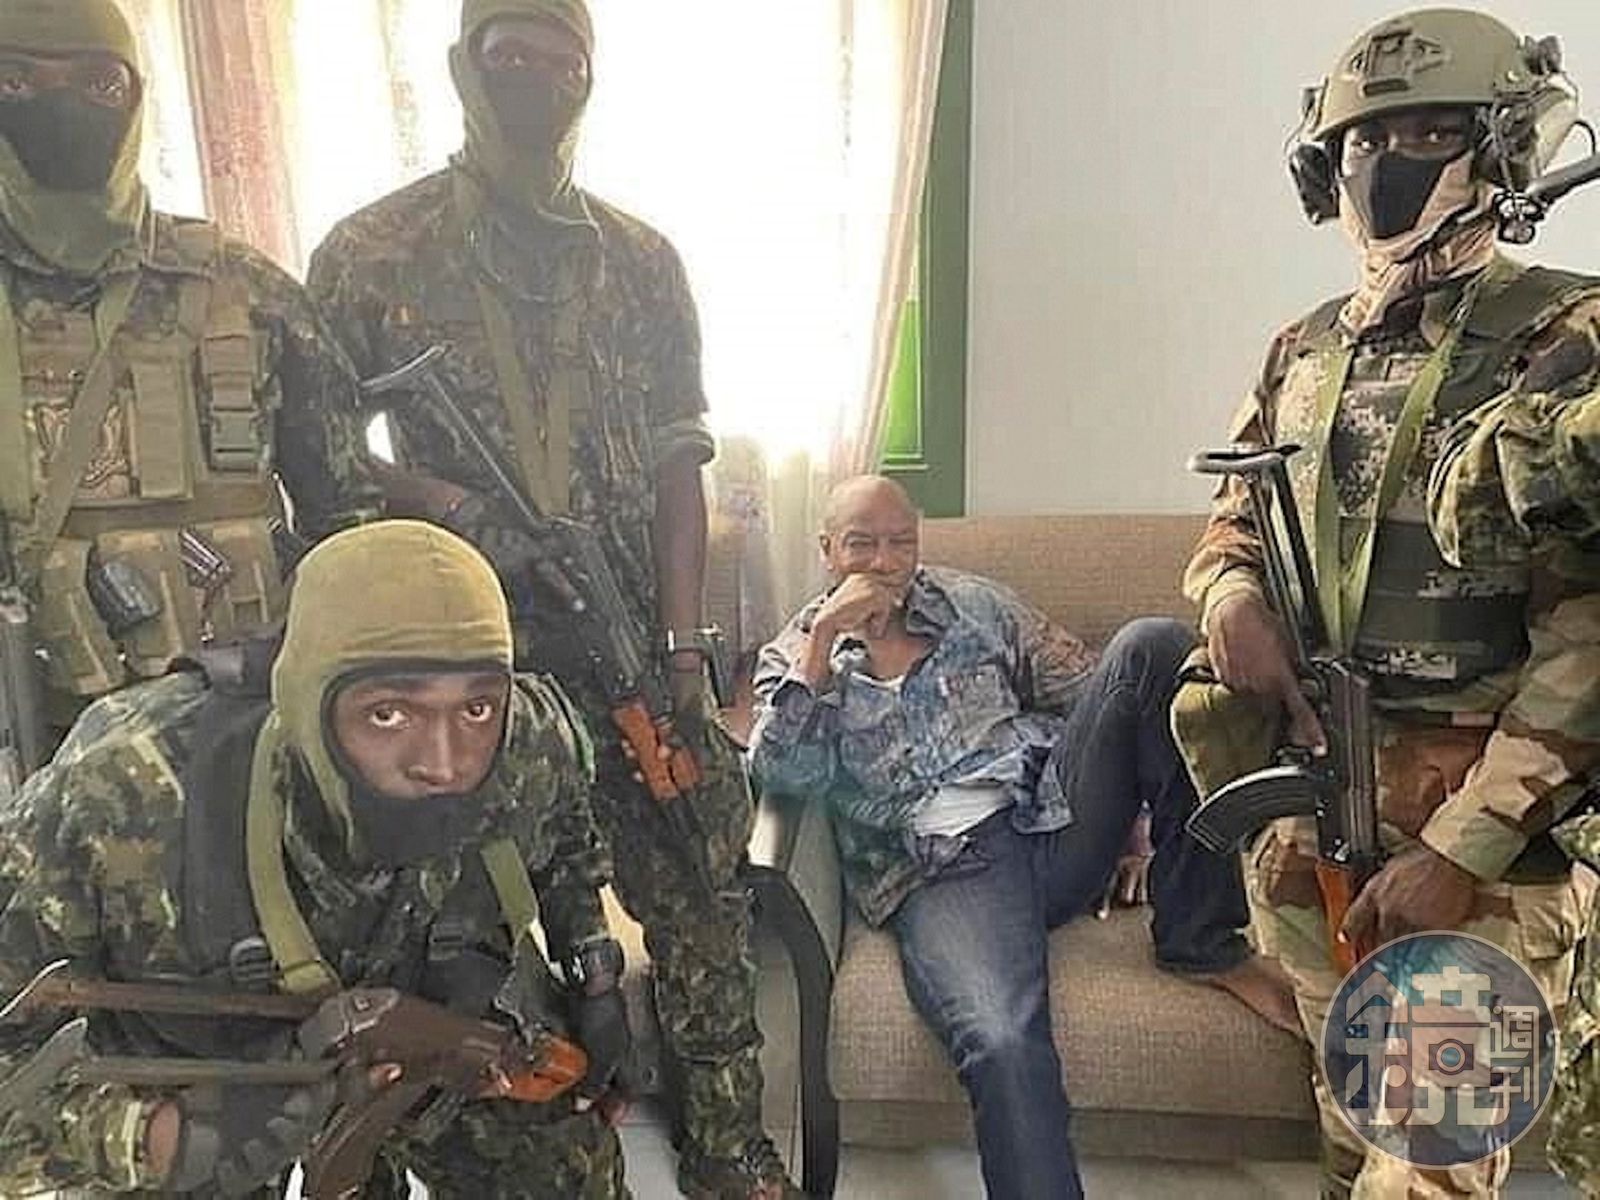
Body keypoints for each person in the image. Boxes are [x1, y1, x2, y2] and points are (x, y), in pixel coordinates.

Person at [305, 3, 797, 1195]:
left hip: (620, 631)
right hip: (454, 656)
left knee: (698, 883)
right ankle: (490, 1137)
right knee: (448, 915)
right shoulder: (369, 252)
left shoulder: (639, 259)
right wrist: (450, 505)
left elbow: (680, 467)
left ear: (589, 76)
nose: (533, 75)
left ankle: (729, 1153)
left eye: (558, 58)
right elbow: (316, 455)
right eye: (506, 53)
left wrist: (682, 657)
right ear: (462, 66)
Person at [1169, 10, 1600, 1197]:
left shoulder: (1566, 340)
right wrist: (1231, 596)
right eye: (1361, 142)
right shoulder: (1301, 350)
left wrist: (1462, 849)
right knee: (1349, 1129)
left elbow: (1587, 638)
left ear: (1504, 148)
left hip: (1485, 834)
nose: (1384, 165)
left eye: (1426, 135)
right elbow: (1233, 516)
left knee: (1428, 1169)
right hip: (1315, 804)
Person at [0, 520, 632, 1197]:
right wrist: (154, 1139)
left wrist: (593, 969)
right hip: (209, 1095)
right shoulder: (122, 793)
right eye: (388, 714)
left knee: (568, 1170)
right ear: (306, 703)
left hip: (447, 1037)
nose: (443, 763)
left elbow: (566, 840)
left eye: (476, 709)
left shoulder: (527, 737)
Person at [749, 474, 1294, 1200]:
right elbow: (780, 775)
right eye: (861, 544)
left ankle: (1199, 941)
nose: (883, 562)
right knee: (1002, 1039)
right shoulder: (797, 652)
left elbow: (1100, 695)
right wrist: (823, 642)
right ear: (826, 551)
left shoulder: (975, 606)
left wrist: (1134, 823)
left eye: (900, 543)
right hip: (946, 873)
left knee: (1154, 645)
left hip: (1049, 820)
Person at [0, 0, 374, 744]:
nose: (59, 106)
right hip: (34, 744)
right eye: (16, 81)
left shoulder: (248, 291)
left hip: (242, 731)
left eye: (98, 83)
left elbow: (348, 526)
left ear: (136, 98)